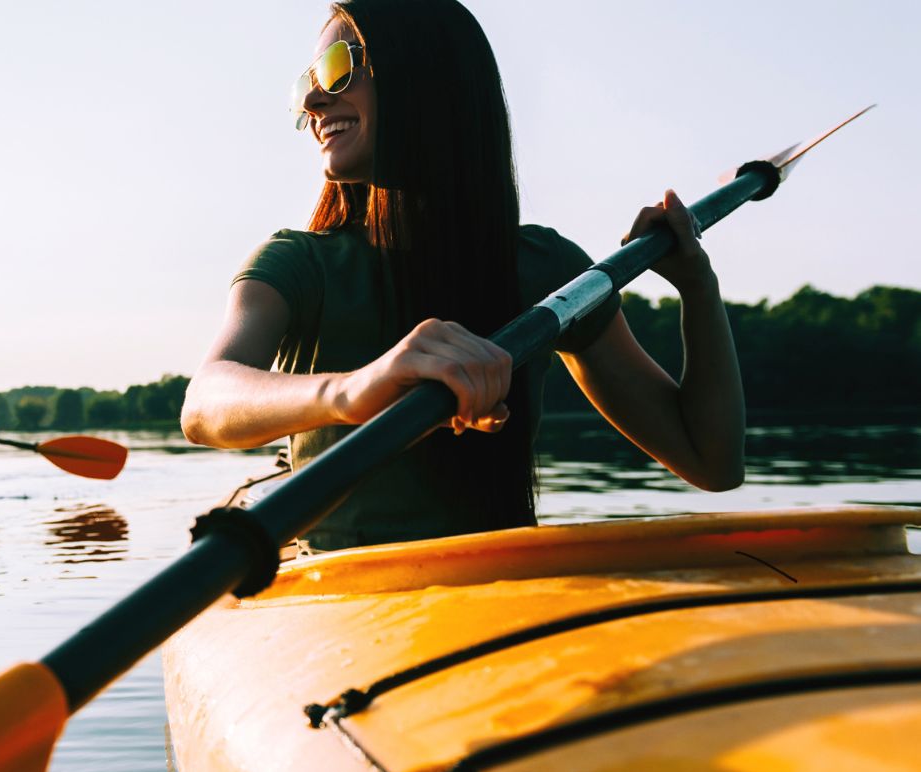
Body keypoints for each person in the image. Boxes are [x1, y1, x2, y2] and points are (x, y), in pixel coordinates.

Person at [180, 0, 744, 552]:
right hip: (336, 606)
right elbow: (204, 407)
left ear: (427, 80)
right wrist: (351, 390)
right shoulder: (296, 264)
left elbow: (712, 462)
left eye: (338, 68)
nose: (311, 98)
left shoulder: (548, 270)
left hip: (498, 593)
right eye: (308, 79)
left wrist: (698, 286)